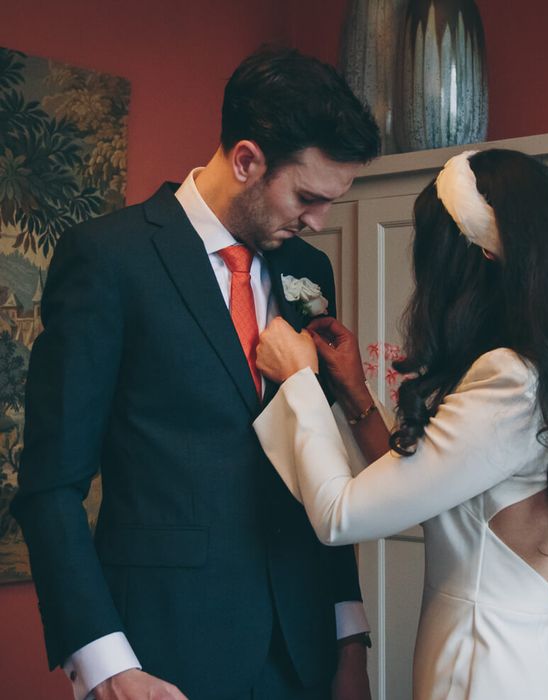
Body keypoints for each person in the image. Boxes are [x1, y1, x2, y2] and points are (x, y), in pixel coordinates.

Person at [12, 46, 380, 700]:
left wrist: (348, 640)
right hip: (165, 652)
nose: (318, 223)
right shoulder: (109, 260)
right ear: (245, 160)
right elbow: (50, 487)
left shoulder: (307, 274)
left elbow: (314, 462)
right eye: (307, 197)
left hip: (302, 654)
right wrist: (107, 667)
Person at [252, 149, 548, 699]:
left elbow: (342, 514)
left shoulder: (511, 381)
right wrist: (354, 393)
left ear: (465, 262)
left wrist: (300, 381)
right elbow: (421, 491)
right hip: (532, 665)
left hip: (482, 671)